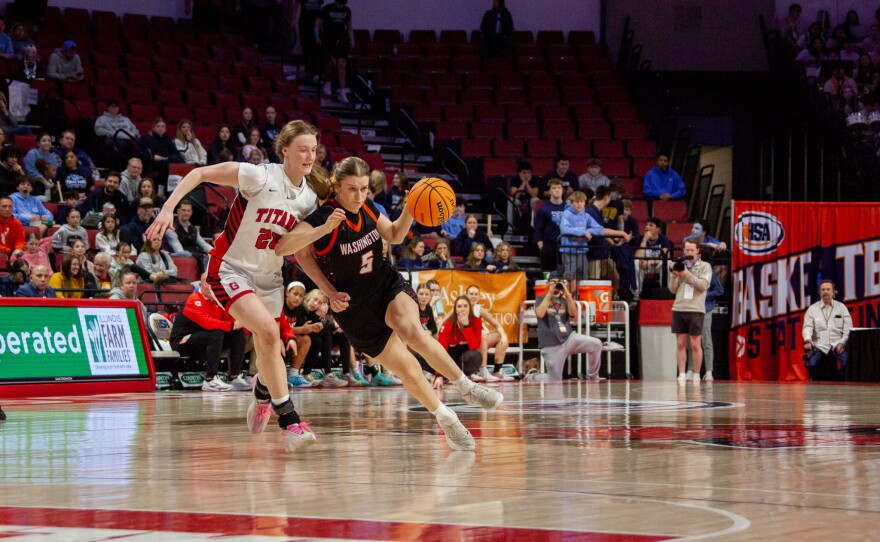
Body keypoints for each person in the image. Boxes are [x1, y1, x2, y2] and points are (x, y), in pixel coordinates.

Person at [275, 155, 504, 451]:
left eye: (364, 189)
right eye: (352, 190)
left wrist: (410, 207)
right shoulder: (324, 217)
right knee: (408, 369)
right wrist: (329, 291)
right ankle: (446, 418)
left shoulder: (368, 207)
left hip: (385, 284)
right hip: (353, 308)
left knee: (412, 330)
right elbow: (291, 251)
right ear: (337, 188)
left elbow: (395, 234)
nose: (359, 196)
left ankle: (467, 387)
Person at [145, 120, 335, 453]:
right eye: (302, 149)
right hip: (230, 269)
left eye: (313, 150)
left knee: (268, 344)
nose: (309, 156)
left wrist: (328, 290)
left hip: (270, 276)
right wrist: (167, 209)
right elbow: (200, 174)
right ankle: (289, 420)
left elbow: (301, 254)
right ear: (285, 150)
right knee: (267, 332)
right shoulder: (259, 175)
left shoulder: (309, 199)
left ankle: (263, 392)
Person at [171, 272, 251, 392]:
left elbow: (230, 319)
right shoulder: (194, 299)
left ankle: (234, 377)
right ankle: (210, 379)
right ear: (200, 284)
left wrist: (241, 325)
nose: (210, 287)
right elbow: (207, 323)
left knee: (237, 333)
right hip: (183, 341)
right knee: (217, 333)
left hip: (206, 339)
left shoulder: (217, 301)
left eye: (213, 284)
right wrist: (232, 325)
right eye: (207, 284)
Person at [529, 273, 603, 381]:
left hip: (569, 338)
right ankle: (532, 377)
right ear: (547, 283)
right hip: (551, 344)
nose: (555, 284)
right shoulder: (541, 299)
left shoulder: (564, 300)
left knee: (596, 344)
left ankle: (593, 376)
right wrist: (549, 293)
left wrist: (567, 293)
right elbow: (540, 314)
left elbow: (574, 314)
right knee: (554, 379)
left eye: (558, 282)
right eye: (553, 282)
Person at [670, 240, 712, 384]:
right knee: (681, 343)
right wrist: (675, 275)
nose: (688, 253)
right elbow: (673, 289)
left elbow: (703, 285)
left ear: (698, 251)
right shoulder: (680, 265)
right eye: (686, 250)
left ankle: (696, 374)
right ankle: (681, 373)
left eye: (691, 250)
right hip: (679, 307)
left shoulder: (705, 266)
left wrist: (686, 274)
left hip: (695, 308)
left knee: (695, 343)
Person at [802, 280, 852, 381]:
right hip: (820, 344)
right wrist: (807, 340)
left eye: (828, 289)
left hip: (837, 343)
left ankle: (841, 381)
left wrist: (843, 343)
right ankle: (814, 381)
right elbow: (807, 327)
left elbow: (848, 328)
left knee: (848, 363)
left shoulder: (841, 308)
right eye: (823, 290)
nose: (825, 292)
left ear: (833, 292)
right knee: (810, 364)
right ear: (820, 293)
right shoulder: (812, 309)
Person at [559, 190, 604, 290]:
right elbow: (564, 229)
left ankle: (579, 302)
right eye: (576, 201)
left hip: (582, 252)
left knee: (582, 279)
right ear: (572, 202)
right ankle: (570, 301)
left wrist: (586, 232)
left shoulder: (586, 216)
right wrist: (583, 232)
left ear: (585, 202)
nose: (579, 204)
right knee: (571, 279)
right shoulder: (566, 214)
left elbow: (599, 230)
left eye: (581, 201)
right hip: (569, 251)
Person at [435, 295, 484, 388]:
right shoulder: (448, 325)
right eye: (459, 306)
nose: (462, 309)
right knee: (421, 356)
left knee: (476, 355)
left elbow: (474, 346)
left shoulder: (476, 321)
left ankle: (463, 376)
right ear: (455, 309)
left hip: (465, 359)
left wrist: (466, 326)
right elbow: (442, 351)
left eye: (465, 306)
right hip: (449, 361)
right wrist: (439, 375)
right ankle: (445, 375)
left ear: (469, 308)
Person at [686, 268, 723, 382]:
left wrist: (705, 295)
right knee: (691, 341)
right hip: (690, 309)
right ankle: (690, 370)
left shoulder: (708, 271)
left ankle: (709, 372)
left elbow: (719, 290)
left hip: (705, 309)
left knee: (706, 340)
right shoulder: (686, 270)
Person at [316, 0, 354, 103]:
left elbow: (349, 25)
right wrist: (317, 36)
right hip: (328, 39)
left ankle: (342, 91)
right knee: (330, 63)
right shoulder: (327, 8)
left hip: (341, 40)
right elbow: (318, 23)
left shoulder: (347, 10)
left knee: (342, 64)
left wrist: (352, 39)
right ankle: (327, 83)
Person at [533, 179, 566, 271]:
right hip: (548, 246)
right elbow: (538, 229)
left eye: (559, 187)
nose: (557, 190)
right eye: (554, 188)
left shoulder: (568, 208)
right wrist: (541, 246)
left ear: (562, 190)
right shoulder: (543, 209)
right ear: (550, 191)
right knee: (548, 274)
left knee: (564, 274)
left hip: (565, 245)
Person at [174, 200, 213, 272]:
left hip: (195, 254)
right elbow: (180, 252)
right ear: (178, 211)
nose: (186, 213)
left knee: (211, 256)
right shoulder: (173, 228)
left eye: (188, 211)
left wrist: (216, 253)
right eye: (183, 210)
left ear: (191, 212)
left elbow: (203, 245)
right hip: (182, 256)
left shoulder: (193, 228)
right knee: (202, 257)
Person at [0, 195, 25, 259]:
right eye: (4, 206)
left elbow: (20, 241)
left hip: (13, 253)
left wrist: (18, 249)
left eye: (10, 206)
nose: (7, 209)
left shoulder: (17, 223)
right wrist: (9, 251)